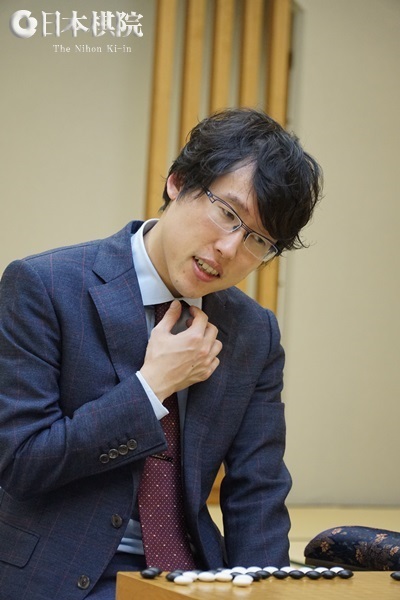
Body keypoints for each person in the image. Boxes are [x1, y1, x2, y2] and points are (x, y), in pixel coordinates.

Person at [0, 108, 322, 599]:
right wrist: (150, 389)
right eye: (228, 213)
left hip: (190, 577)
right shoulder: (44, 286)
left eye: (258, 239)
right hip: (60, 574)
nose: (230, 248)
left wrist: (268, 592)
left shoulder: (253, 331)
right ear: (178, 182)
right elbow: (21, 462)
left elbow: (257, 490)